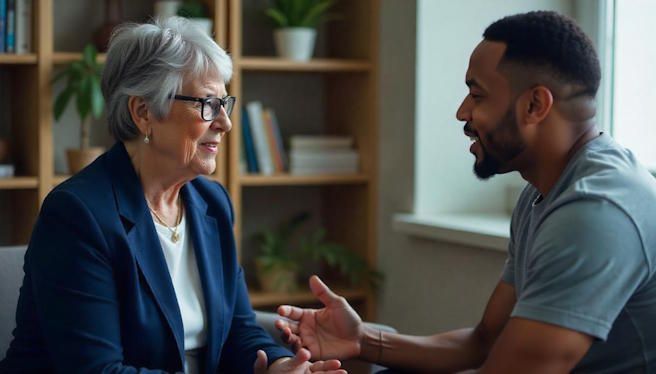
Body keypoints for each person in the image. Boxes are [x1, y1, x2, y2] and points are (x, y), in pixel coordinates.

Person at [274, 11, 656, 373]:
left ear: (535, 105)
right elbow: (484, 341)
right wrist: (362, 339)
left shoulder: (595, 212)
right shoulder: (543, 193)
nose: (462, 112)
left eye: (477, 95)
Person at [0, 17, 344, 374]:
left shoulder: (212, 204)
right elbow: (99, 371)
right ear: (144, 112)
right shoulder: (78, 214)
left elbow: (238, 330)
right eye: (208, 104)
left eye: (225, 103)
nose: (225, 123)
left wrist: (281, 365)